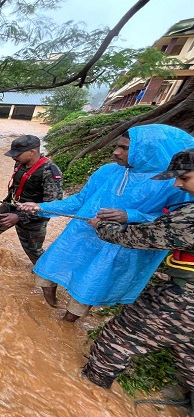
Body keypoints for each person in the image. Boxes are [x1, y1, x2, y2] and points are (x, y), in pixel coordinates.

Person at [18, 125, 194, 322]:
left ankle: (65, 323)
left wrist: (130, 215)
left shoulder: (175, 183)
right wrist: (40, 206)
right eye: (118, 146)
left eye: (125, 148)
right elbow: (80, 200)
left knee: (90, 286)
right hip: (82, 233)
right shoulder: (107, 171)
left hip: (121, 246)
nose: (116, 152)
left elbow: (173, 224)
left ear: (150, 149)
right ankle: (50, 305)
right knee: (49, 270)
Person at [81, 148, 194, 412]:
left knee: (117, 338)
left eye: (185, 178)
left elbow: (139, 238)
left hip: (184, 299)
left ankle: (87, 397)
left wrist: (102, 226)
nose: (177, 184)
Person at [0, 135, 63, 304]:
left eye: (17, 153)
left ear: (32, 152)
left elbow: (52, 206)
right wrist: (4, 206)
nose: (13, 157)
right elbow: (15, 189)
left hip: (32, 219)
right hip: (11, 206)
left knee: (34, 252)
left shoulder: (50, 171)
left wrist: (19, 217)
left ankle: (51, 286)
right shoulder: (19, 163)